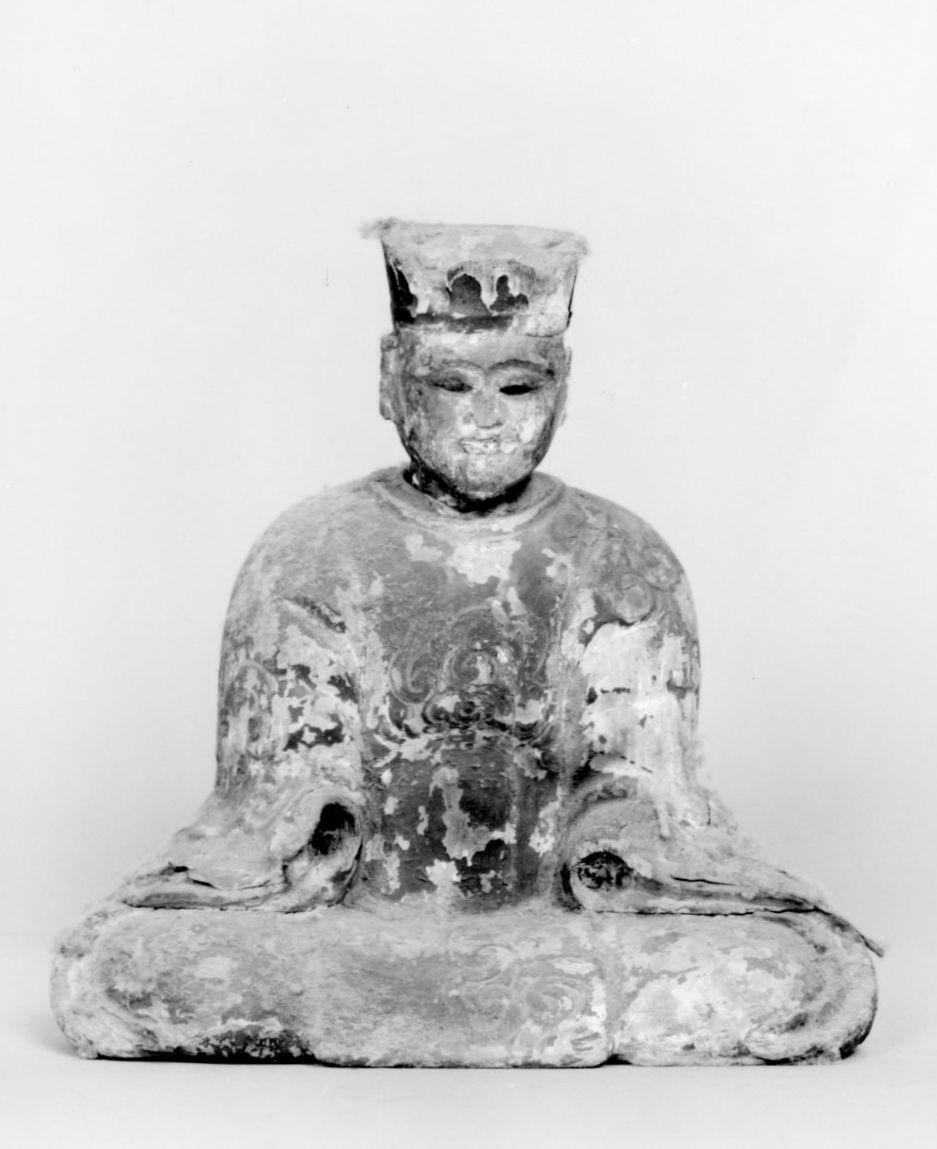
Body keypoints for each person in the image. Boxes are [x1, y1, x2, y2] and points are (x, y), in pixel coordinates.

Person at [53, 221, 878, 1066]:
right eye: (450, 383)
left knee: (796, 971)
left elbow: (645, 797)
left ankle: (409, 1008)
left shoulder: (622, 560)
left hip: (549, 926)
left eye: (517, 386)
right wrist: (309, 835)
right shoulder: (310, 554)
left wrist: (620, 835)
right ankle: (524, 1012)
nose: (485, 418)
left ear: (562, 389)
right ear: (390, 382)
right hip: (362, 925)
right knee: (132, 966)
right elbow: (270, 810)